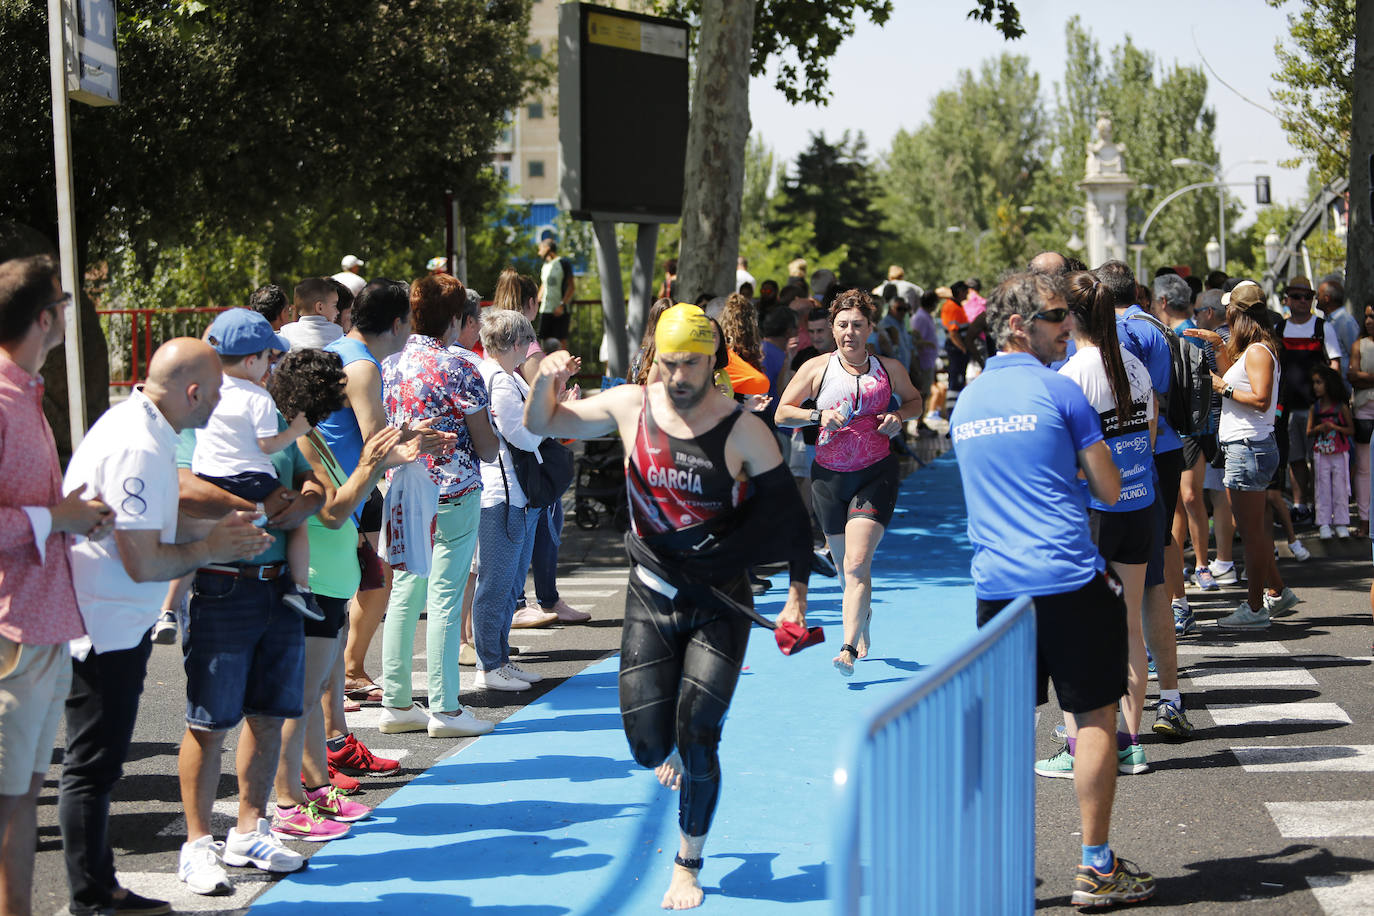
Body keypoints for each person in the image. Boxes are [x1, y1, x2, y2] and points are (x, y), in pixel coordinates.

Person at [524, 303, 812, 910]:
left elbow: (789, 523)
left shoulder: (742, 430)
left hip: (718, 601)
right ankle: (673, 745)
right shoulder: (631, 406)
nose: (679, 376)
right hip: (652, 595)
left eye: (693, 363)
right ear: (655, 358)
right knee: (648, 746)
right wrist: (543, 380)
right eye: (670, 362)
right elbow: (546, 424)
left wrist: (794, 599)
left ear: (715, 362)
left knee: (700, 735)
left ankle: (687, 862)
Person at [949, 270, 1154, 909]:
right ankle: (1095, 867)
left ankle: (999, 867)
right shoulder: (1062, 394)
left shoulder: (966, 402)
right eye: (1059, 315)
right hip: (1069, 577)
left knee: (1006, 729)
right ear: (1019, 325)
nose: (1069, 326)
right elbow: (1110, 490)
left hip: (997, 587)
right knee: (1094, 717)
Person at [59, 338, 271, 915]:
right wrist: (212, 545)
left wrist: (216, 519)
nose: (219, 405)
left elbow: (158, 515)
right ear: (193, 391)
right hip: (104, 626)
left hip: (112, 620)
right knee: (93, 766)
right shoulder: (137, 441)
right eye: (218, 393)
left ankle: (99, 887)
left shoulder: (146, 429)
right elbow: (144, 560)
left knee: (98, 765)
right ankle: (92, 896)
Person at [173, 345, 328, 894]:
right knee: (209, 723)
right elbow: (184, 487)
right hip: (221, 585)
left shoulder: (275, 418)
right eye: (268, 357)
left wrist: (303, 501)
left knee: (267, 717)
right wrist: (266, 509)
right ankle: (196, 845)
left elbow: (314, 485)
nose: (272, 367)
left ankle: (249, 829)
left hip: (279, 588)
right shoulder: (205, 417)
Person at [0, 256, 115, 916]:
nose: (69, 318)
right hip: (14, 631)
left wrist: (63, 514)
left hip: (39, 628)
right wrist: (58, 517)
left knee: (23, 797)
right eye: (65, 306)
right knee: (11, 801)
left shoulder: (25, 394)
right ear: (45, 317)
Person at [1036, 271, 1156, 780]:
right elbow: (1149, 436)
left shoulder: (1071, 375)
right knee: (1130, 625)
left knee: (1079, 630)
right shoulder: (1134, 366)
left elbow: (1060, 457)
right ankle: (1131, 742)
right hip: (1140, 505)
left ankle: (1077, 743)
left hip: (1095, 514)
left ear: (1071, 318)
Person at [776, 289, 924, 675]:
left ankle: (848, 648)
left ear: (870, 328)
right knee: (846, 570)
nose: (849, 332)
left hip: (876, 472)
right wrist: (816, 416)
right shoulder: (816, 368)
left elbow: (915, 401)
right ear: (832, 328)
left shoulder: (889, 368)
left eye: (857, 325)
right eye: (842, 325)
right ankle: (863, 615)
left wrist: (899, 417)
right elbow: (781, 413)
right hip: (828, 477)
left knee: (858, 564)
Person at [378, 274, 499, 737]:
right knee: (445, 597)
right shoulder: (461, 365)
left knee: (405, 592)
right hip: (454, 488)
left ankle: (396, 701)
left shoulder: (389, 362)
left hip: (403, 487)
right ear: (454, 318)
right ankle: (445, 707)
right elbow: (486, 445)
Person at [1097, 259, 1190, 740]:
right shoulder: (1154, 328)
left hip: (1122, 469)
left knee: (1113, 593)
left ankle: (1106, 714)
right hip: (1161, 455)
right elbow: (1158, 399)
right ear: (1134, 289)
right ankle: (1168, 699)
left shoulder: (1105, 343)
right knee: (1156, 569)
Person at [192, 309, 321, 621]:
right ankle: (300, 588)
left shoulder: (202, 396)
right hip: (254, 485)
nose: (272, 364)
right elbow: (269, 445)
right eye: (269, 356)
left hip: (209, 478)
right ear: (252, 361)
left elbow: (306, 473)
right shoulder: (259, 398)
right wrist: (295, 431)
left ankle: (168, 609)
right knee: (297, 522)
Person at [1184, 298, 1298, 628]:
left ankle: (1255, 609)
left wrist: (1224, 387)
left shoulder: (1260, 351)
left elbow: (1261, 401)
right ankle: (1276, 592)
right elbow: (1238, 382)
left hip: (1249, 448)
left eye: (1230, 314)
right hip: (1246, 448)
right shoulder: (1254, 351)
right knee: (1254, 532)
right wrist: (1220, 348)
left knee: (1251, 534)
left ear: (1238, 316)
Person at [494, 269, 588, 626]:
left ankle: (527, 600)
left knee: (519, 532)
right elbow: (539, 395)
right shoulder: (527, 340)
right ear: (532, 303)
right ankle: (538, 599)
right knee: (544, 523)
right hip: (529, 448)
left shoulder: (493, 331)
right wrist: (562, 391)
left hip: (505, 448)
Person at [473, 310, 558, 692]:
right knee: (498, 584)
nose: (529, 349)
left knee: (507, 583)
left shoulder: (502, 378)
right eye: (526, 341)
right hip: (502, 494)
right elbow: (523, 436)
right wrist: (545, 423)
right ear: (514, 343)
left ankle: (500, 658)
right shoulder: (501, 381)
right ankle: (490, 663)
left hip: (511, 492)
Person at [1276, 276, 1342, 522]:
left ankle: (1320, 505)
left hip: (1318, 408)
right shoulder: (1279, 330)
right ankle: (1299, 504)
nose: (1303, 301)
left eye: (1307, 297)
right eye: (1296, 296)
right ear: (1287, 300)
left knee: (1320, 458)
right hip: (1289, 407)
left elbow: (1335, 364)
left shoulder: (1323, 327)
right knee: (1295, 458)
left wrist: (1333, 401)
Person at [1308, 364, 1354, 538]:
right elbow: (1309, 431)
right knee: (1322, 488)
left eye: (1319, 382)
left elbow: (1351, 430)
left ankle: (1341, 522)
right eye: (1314, 383)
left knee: (1341, 487)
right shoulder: (1316, 408)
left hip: (1339, 452)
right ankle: (1324, 523)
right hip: (1321, 453)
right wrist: (1320, 427)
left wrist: (1334, 427)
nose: (1316, 386)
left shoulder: (1341, 407)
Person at [1347, 301, 1374, 537]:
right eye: (1366, 317)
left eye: (1373, 316)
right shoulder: (1359, 345)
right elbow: (1352, 376)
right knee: (1364, 468)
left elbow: (1358, 375)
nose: (1369, 321)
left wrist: (1364, 377)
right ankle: (1365, 521)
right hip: (1363, 410)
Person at [279, 277, 344, 350]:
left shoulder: (287, 331)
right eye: (334, 305)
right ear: (320, 307)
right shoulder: (337, 332)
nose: (337, 311)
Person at [536, 239, 573, 347]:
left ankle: (564, 363)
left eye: (540, 249)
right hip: (545, 309)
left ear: (547, 248)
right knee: (545, 343)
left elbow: (571, 286)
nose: (539, 253)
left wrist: (562, 305)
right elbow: (544, 285)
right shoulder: (545, 266)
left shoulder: (563, 263)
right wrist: (537, 300)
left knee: (561, 342)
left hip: (560, 310)